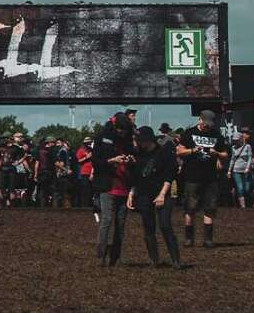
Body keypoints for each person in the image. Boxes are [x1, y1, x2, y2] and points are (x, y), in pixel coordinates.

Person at [128, 127, 182, 268]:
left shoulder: (164, 152)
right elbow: (136, 176)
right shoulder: (138, 154)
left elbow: (169, 175)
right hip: (145, 193)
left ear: (148, 140)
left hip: (164, 192)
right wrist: (132, 192)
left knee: (165, 225)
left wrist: (162, 195)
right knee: (148, 227)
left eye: (140, 141)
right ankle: (154, 260)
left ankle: (176, 259)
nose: (138, 144)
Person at [176, 109, 228, 247]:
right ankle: (189, 238)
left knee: (210, 207)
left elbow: (225, 154)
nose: (207, 126)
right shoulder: (189, 133)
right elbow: (179, 151)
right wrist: (193, 150)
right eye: (205, 123)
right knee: (190, 208)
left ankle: (208, 239)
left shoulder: (216, 135)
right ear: (200, 120)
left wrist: (216, 153)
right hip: (192, 176)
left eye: (210, 124)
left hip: (210, 177)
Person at [93, 114, 136, 265]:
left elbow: (134, 158)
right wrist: (112, 160)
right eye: (120, 130)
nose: (122, 133)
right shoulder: (102, 137)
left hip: (124, 186)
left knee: (121, 223)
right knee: (107, 219)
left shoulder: (128, 140)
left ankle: (115, 256)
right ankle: (101, 254)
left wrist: (131, 160)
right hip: (107, 185)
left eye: (125, 131)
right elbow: (96, 162)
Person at [227, 129, 254, 209]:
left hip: (246, 169)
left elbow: (250, 158)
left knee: (247, 188)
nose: (235, 142)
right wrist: (229, 170)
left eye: (237, 140)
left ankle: (247, 201)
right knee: (240, 187)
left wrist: (247, 168)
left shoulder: (247, 146)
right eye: (234, 140)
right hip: (236, 170)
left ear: (241, 139)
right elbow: (232, 159)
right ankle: (243, 205)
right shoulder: (233, 148)